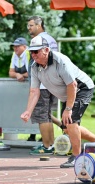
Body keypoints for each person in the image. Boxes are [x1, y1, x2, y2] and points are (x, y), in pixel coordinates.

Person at [21, 36, 95, 168]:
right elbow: (34, 91)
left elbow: (72, 85)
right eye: (31, 52)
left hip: (81, 88)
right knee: (67, 128)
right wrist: (28, 111)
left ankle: (76, 156)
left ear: (46, 50)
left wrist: (68, 109)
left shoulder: (60, 61)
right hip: (68, 94)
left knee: (70, 121)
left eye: (36, 51)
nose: (33, 55)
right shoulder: (34, 67)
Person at [26, 15, 63, 155]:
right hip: (51, 83)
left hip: (42, 84)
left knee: (42, 116)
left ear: (39, 25)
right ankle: (51, 145)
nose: (29, 28)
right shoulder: (51, 39)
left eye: (31, 25)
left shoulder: (38, 40)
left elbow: (36, 62)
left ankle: (46, 147)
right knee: (47, 115)